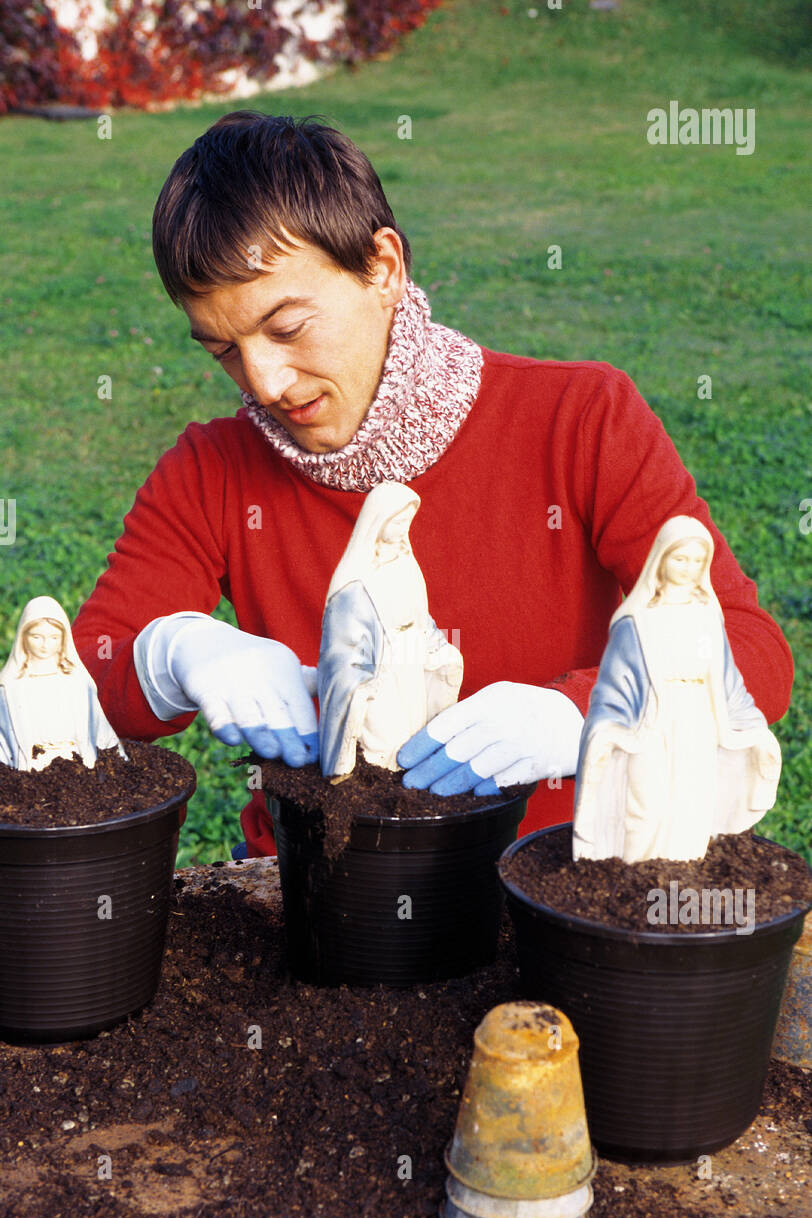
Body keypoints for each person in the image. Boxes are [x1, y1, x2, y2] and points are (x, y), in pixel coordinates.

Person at [71, 112, 793, 858]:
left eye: (286, 328)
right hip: (325, 896)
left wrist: (584, 714)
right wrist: (174, 653)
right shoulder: (210, 472)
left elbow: (752, 651)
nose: (264, 382)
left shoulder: (580, 419)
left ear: (382, 268)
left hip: (561, 880)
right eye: (224, 349)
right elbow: (78, 679)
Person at [571, 517, 782, 862]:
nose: (688, 568)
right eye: (680, 558)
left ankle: (685, 872)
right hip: (653, 721)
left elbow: (728, 680)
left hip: (698, 719)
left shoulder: (707, 615)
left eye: (697, 561)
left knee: (692, 801)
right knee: (644, 803)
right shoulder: (637, 620)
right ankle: (635, 874)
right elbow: (615, 686)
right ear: (661, 558)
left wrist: (752, 728)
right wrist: (607, 729)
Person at [318, 480, 463, 779]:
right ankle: (374, 776)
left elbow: (421, 615)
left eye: (405, 522)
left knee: (412, 722)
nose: (401, 529)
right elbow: (347, 638)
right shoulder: (356, 580)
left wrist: (436, 647)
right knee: (383, 729)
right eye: (396, 522)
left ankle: (407, 774)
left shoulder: (406, 565)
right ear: (378, 522)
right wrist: (360, 679)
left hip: (410, 657)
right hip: (381, 666)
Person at [0, 596, 125, 771]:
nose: (45, 645)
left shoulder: (78, 681)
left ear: (63, 639)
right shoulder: (10, 687)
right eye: (36, 637)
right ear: (23, 637)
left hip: (77, 765)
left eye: (53, 637)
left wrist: (118, 764)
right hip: (30, 769)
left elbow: (99, 729)